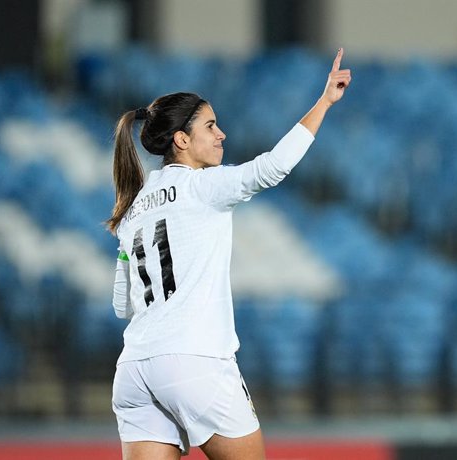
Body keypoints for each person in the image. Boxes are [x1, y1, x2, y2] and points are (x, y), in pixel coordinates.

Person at [106, 48, 351, 460]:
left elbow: (120, 304)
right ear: (182, 140)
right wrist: (324, 101)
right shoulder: (203, 186)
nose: (222, 134)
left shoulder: (132, 208)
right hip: (194, 362)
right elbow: (273, 167)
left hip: (134, 369)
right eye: (211, 126)